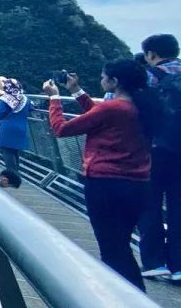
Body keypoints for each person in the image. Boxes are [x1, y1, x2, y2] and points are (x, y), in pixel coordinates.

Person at [44, 59, 158, 291]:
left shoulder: (114, 108)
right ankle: (131, 298)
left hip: (106, 185)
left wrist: (54, 98)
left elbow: (61, 129)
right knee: (120, 245)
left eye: (104, 77)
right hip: (137, 185)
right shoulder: (140, 105)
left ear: (114, 81)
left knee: (112, 248)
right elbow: (99, 114)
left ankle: (129, 304)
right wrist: (75, 90)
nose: (101, 80)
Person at [138, 33, 181, 281]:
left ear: (151, 54)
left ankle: (155, 262)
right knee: (178, 206)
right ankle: (178, 265)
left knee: (150, 204)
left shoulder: (148, 76)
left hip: (153, 150)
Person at [0, 78, 30, 173]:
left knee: (7, 151)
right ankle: (16, 174)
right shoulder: (25, 98)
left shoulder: (4, 98)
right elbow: (31, 108)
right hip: (21, 128)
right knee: (15, 151)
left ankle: (12, 175)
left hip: (7, 128)